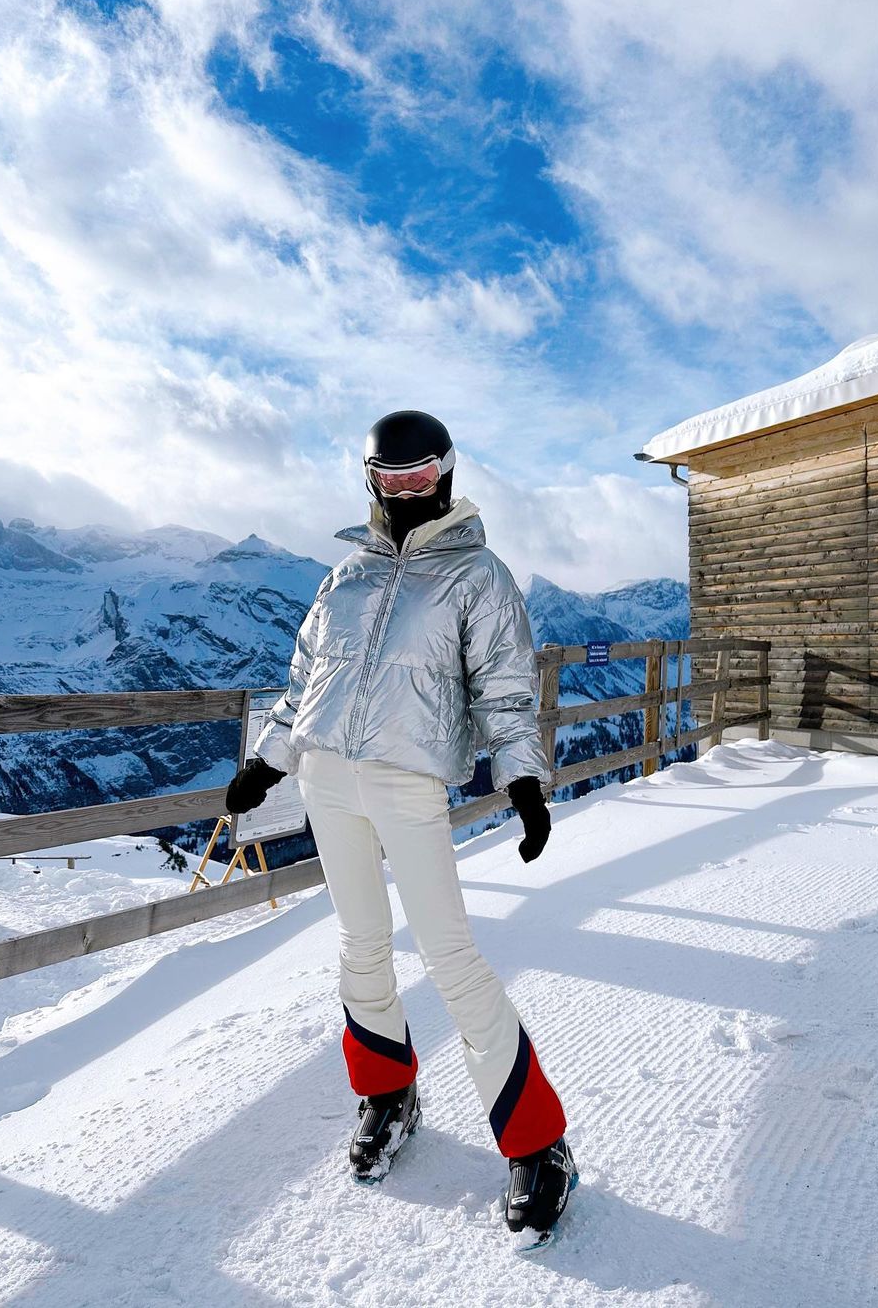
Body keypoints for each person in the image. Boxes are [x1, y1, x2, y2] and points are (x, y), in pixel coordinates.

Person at [225, 410, 576, 1237]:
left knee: (451, 956)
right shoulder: (345, 577)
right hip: (326, 778)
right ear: (370, 480)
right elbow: (305, 678)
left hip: (408, 781)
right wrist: (270, 759)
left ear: (447, 473)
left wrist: (524, 780)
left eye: (421, 476)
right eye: (391, 478)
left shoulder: (479, 577)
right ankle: (387, 1092)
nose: (407, 490)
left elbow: (507, 692)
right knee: (360, 945)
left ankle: (538, 1143)